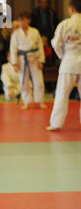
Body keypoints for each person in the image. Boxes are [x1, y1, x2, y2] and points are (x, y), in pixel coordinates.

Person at [47, 0, 81, 131]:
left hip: (69, 62)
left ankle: (56, 124)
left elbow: (56, 44)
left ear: (71, 9)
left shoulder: (65, 24)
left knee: (62, 93)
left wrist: (63, 56)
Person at [10, 11, 46, 110]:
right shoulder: (15, 34)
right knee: (24, 81)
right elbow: (13, 49)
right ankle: (26, 102)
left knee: (38, 81)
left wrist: (41, 60)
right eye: (20, 21)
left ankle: (40, 101)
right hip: (22, 60)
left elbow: (40, 47)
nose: (21, 23)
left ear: (29, 21)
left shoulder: (35, 31)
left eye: (24, 20)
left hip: (35, 58)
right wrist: (15, 63)